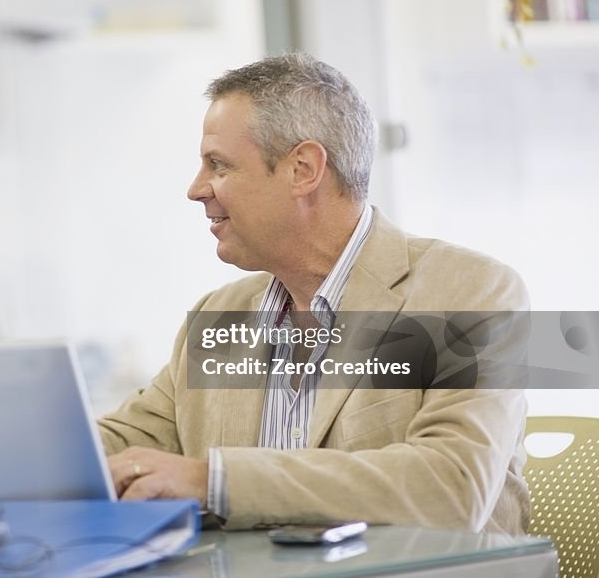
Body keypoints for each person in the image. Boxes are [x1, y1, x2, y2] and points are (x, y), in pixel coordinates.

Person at [98, 53, 530, 536]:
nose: (196, 190)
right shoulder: (218, 317)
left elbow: (451, 488)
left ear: (303, 169)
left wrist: (212, 481)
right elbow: (119, 446)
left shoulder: (473, 292)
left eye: (218, 165)